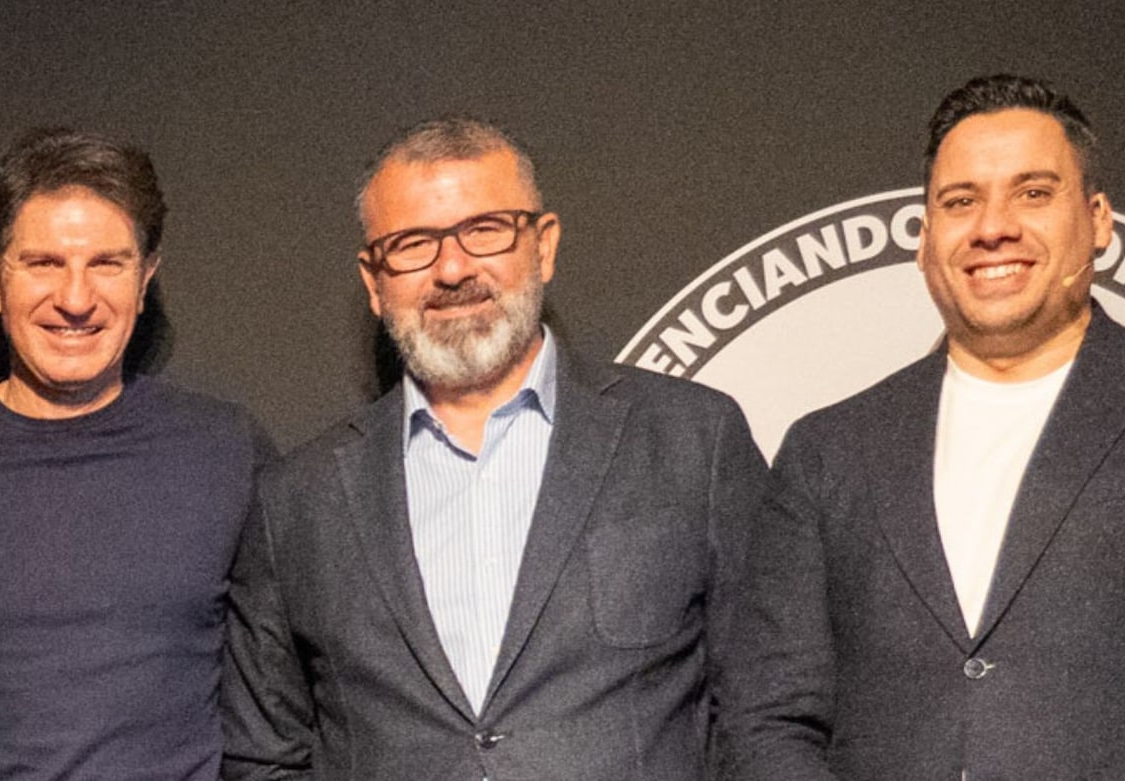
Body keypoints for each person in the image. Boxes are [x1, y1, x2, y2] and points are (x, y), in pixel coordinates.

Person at [718, 74, 1125, 781]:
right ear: (925, 238)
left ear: (1098, 219)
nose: (992, 226)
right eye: (960, 201)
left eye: (1033, 193)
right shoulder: (827, 449)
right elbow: (767, 718)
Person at [218, 116, 771, 779]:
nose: (453, 268)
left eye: (484, 230)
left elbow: (765, 711)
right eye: (413, 244)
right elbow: (263, 757)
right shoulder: (297, 501)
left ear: (543, 245)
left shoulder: (692, 439)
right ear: (373, 280)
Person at [0, 128, 264, 780]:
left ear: (145, 278)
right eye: (44, 263)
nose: (76, 300)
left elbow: (276, 709)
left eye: (107, 264)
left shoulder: (225, 452)